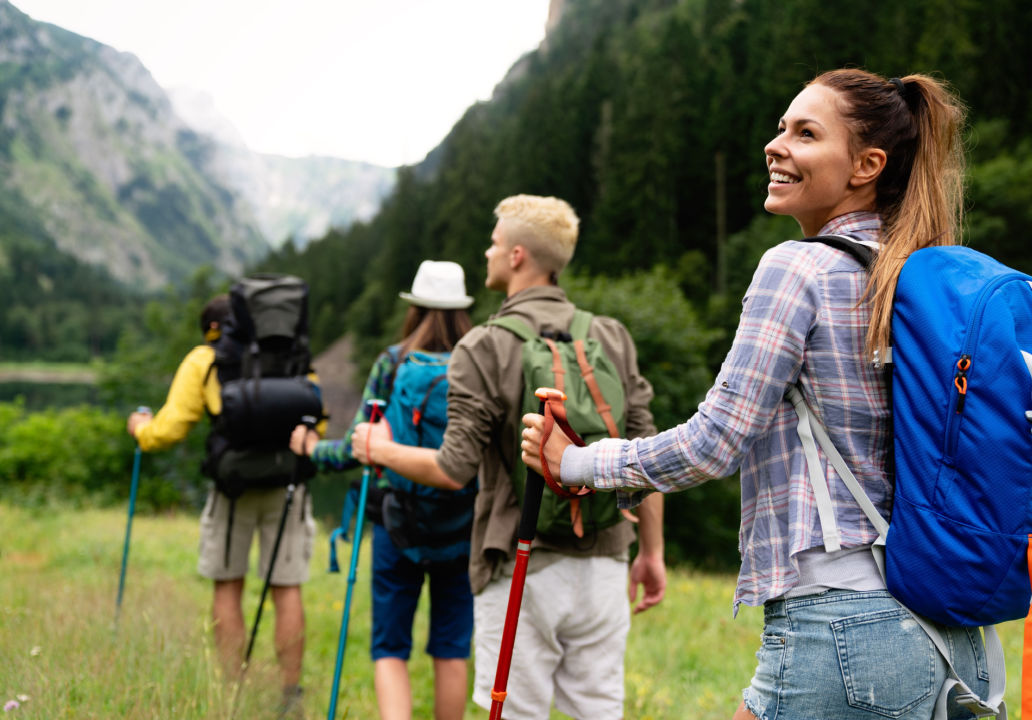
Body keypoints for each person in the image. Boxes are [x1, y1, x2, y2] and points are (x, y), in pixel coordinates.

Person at [522, 70, 989, 719]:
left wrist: (574, 463)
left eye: (805, 133)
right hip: (951, 637)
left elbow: (714, 444)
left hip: (842, 623)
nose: (776, 145)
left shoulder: (797, 267)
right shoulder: (921, 273)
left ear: (866, 165)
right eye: (780, 128)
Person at [352, 194, 667, 720]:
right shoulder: (611, 336)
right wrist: (650, 553)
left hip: (521, 561)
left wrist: (379, 449)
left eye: (495, 244)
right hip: (607, 561)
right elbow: (645, 456)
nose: (488, 253)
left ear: (518, 255)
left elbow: (453, 469)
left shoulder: (484, 346)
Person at [289, 260, 476, 720]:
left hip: (399, 523)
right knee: (451, 649)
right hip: (464, 526)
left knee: (390, 648)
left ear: (413, 308)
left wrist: (313, 449)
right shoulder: (478, 365)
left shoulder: (393, 364)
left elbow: (360, 446)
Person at [126, 294, 323, 715]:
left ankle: (234, 691)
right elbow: (317, 420)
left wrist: (142, 430)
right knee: (287, 589)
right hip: (287, 483)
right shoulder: (292, 353)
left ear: (212, 328)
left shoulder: (204, 359)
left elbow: (173, 427)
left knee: (227, 586)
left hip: (232, 486)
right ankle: (290, 696)